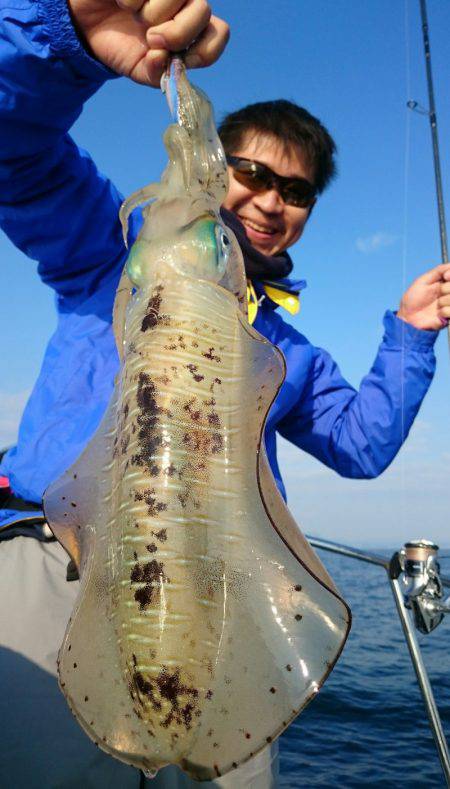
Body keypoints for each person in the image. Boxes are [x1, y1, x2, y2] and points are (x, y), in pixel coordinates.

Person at [1, 1, 450, 787]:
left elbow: (359, 443)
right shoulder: (108, 247)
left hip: (217, 592)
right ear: (217, 167)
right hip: (56, 555)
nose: (272, 201)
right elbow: (15, 149)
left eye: (297, 191)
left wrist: (411, 333)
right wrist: (63, 31)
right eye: (252, 174)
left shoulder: (286, 348)